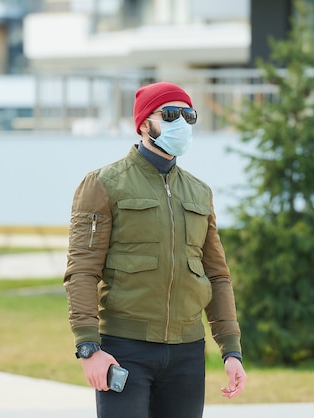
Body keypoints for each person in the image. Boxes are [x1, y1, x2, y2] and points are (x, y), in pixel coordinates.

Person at [63, 81, 247, 418]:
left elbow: (217, 276)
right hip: (125, 348)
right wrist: (88, 346)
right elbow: (82, 270)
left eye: (188, 115)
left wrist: (230, 350)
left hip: (187, 354)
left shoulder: (199, 192)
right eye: (171, 114)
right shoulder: (104, 184)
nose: (181, 123)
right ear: (144, 123)